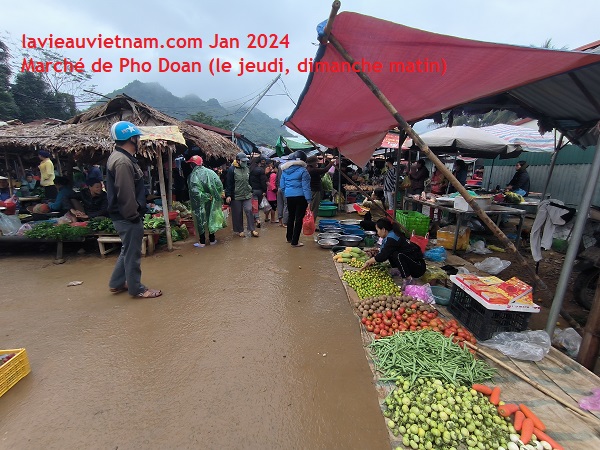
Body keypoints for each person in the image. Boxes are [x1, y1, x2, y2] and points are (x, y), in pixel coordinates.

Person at [106, 120, 162, 299]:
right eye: (137, 137)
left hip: (123, 214)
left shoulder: (119, 157)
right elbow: (125, 192)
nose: (139, 141)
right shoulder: (122, 161)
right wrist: (133, 215)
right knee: (133, 253)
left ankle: (116, 283)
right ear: (131, 139)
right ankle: (137, 288)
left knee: (127, 249)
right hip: (127, 215)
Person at [361, 219, 426, 279]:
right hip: (411, 262)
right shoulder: (391, 234)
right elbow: (385, 250)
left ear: (383, 229)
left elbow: (382, 256)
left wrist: (369, 261)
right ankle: (398, 270)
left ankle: (407, 278)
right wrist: (377, 251)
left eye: (377, 230)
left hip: (418, 268)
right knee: (392, 252)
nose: (377, 233)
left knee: (397, 255)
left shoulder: (392, 238)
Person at [186, 155, 225, 247]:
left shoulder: (193, 175)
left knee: (200, 220)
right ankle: (212, 240)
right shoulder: (211, 172)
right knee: (210, 218)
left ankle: (202, 242)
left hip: (199, 202)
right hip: (211, 201)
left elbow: (195, 191)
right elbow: (219, 185)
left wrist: (205, 196)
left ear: (193, 164)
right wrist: (214, 196)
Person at [280, 150, 312, 247]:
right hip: (301, 197)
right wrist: (309, 200)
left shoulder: (285, 171)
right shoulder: (303, 171)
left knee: (291, 217)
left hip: (289, 197)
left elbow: (282, 186)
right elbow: (306, 187)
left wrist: (288, 193)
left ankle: (289, 238)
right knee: (298, 219)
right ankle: (295, 242)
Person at [225, 152, 258, 237]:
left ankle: (252, 229)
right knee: (238, 213)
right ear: (238, 161)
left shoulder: (247, 169)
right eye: (243, 161)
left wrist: (251, 190)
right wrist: (228, 195)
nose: (245, 162)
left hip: (247, 194)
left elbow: (250, 181)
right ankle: (240, 230)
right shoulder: (232, 170)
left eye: (245, 161)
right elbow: (228, 183)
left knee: (249, 210)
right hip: (236, 195)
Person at [249, 156, 267, 227]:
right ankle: (257, 219)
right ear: (259, 163)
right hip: (260, 191)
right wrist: (264, 190)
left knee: (254, 206)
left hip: (253, 191)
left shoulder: (250, 170)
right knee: (257, 206)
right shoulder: (261, 170)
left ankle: (256, 219)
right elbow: (263, 181)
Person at [275, 161, 288, 227]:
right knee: (286, 205)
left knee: (279, 204)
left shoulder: (280, 166)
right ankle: (285, 223)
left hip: (279, 188)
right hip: (286, 188)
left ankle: (280, 221)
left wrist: (278, 187)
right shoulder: (289, 167)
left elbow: (276, 179)